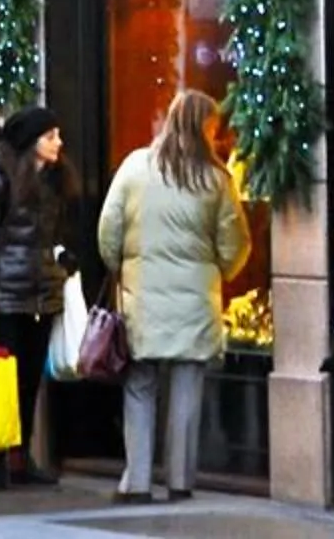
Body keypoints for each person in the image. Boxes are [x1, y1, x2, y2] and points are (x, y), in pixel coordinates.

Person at [99, 87, 246, 505]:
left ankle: (139, 481)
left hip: (141, 298)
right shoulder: (217, 179)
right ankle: (180, 481)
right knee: (186, 390)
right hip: (195, 302)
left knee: (139, 387)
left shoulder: (133, 167)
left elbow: (107, 234)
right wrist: (220, 271)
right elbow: (235, 244)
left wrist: (122, 268)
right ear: (206, 128)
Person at [0, 104, 76, 491]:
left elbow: (54, 236)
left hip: (41, 294)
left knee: (30, 382)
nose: (58, 143)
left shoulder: (55, 180)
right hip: (3, 297)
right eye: (50, 136)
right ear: (31, 142)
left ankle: (20, 456)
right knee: (1, 383)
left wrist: (62, 260)